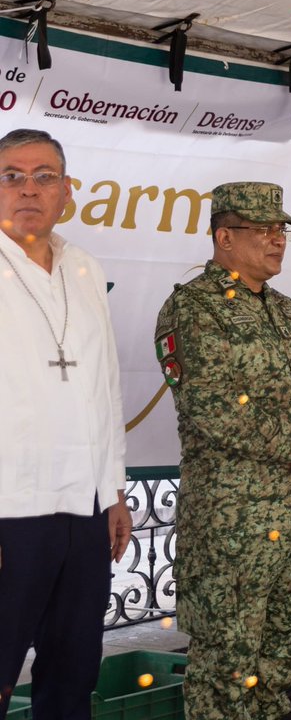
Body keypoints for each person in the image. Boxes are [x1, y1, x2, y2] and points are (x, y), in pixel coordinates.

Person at [154, 182, 291, 720]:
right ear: (224, 236)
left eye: (280, 229)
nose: (276, 240)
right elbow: (212, 406)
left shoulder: (289, 314)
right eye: (261, 230)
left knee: (281, 667)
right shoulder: (192, 309)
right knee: (226, 670)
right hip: (231, 529)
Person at [0, 128, 132, 718]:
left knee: (72, 672)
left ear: (66, 190)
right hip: (11, 506)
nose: (29, 188)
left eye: (44, 176)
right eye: (12, 176)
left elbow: (105, 386)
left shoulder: (84, 267)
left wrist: (115, 491)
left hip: (85, 508)